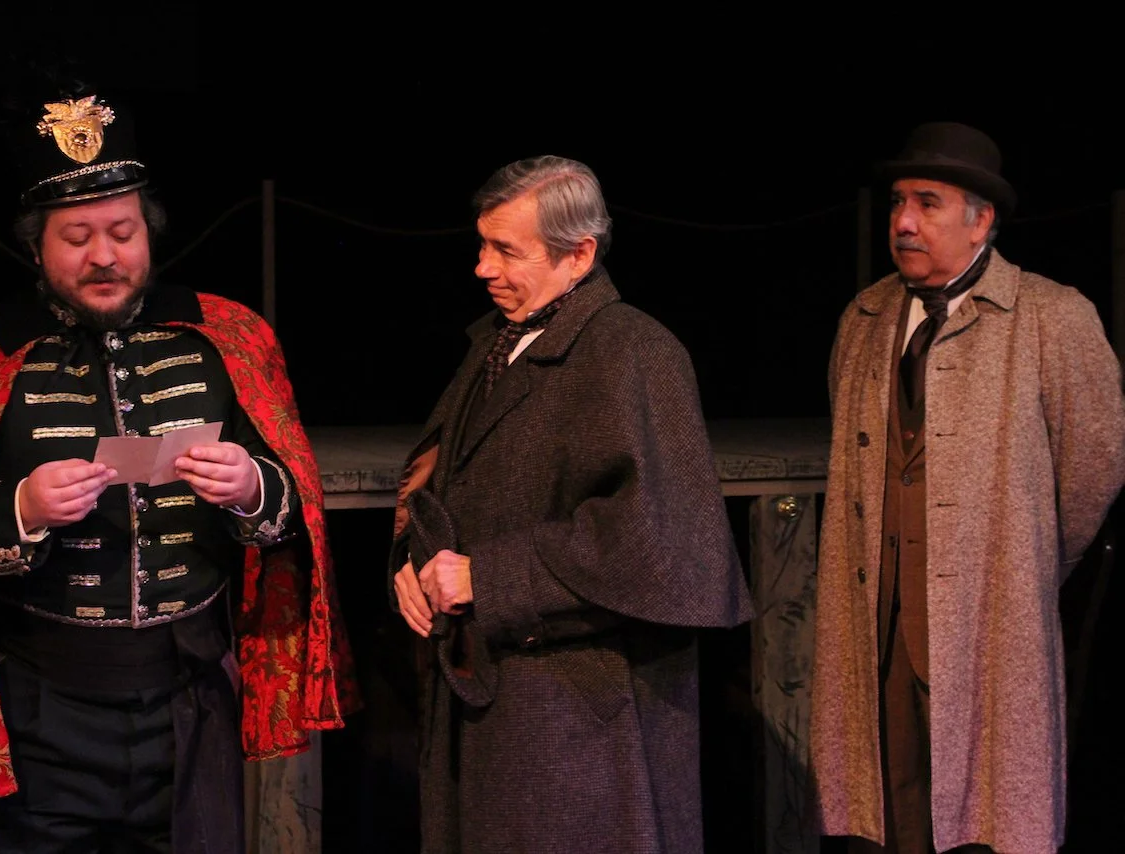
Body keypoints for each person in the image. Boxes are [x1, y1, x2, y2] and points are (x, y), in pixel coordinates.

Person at [0, 83, 357, 852]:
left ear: (148, 233)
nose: (104, 256)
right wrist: (20, 508)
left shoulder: (228, 336)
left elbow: (293, 506)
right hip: (41, 711)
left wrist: (253, 487)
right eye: (76, 236)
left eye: (121, 231)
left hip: (190, 702)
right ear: (35, 247)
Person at [388, 155, 754, 853]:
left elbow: (658, 539)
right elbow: (437, 473)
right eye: (482, 245)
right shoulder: (498, 343)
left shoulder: (633, 353)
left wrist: (487, 578)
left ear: (578, 254)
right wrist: (414, 560)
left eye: (506, 250)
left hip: (583, 716)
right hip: (498, 693)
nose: (482, 268)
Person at [810, 121, 1125, 853]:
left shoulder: (1052, 317)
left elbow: (1094, 466)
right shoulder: (862, 320)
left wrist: (1027, 562)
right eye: (896, 202)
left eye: (927, 202)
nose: (904, 222)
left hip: (990, 617)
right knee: (888, 807)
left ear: (982, 219)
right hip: (880, 614)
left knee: (989, 814)